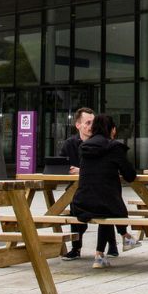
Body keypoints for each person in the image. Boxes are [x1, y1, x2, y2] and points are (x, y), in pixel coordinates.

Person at [69, 113, 138, 269]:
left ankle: (100, 256)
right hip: (106, 205)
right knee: (108, 206)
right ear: (112, 130)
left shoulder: (85, 147)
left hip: (81, 204)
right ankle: (124, 237)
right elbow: (130, 176)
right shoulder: (114, 147)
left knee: (104, 204)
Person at [57, 107, 94, 260]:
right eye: (88, 122)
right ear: (78, 125)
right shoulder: (69, 144)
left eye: (93, 122)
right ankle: (76, 247)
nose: (91, 126)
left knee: (76, 203)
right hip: (75, 188)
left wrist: (82, 170)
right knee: (73, 202)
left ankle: (110, 245)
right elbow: (60, 165)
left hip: (95, 188)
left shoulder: (99, 142)